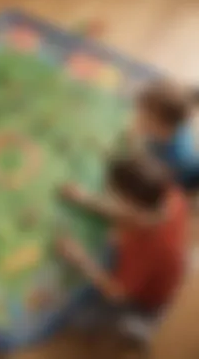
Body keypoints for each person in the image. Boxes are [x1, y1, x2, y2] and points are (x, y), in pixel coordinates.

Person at [57, 155, 188, 339]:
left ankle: (141, 328)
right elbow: (132, 214)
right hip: (164, 270)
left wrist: (79, 259)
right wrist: (84, 199)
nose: (109, 196)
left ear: (132, 205)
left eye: (115, 195)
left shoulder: (148, 248)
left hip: (143, 301)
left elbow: (117, 292)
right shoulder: (170, 196)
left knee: (78, 318)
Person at [127, 80, 199, 193]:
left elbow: (167, 180)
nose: (139, 121)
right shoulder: (161, 130)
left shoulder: (177, 156)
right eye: (140, 113)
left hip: (186, 177)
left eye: (147, 121)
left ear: (166, 129)